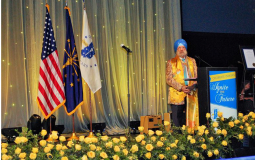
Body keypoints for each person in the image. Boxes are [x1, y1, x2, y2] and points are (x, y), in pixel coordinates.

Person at [166, 39, 198, 127]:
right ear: (176, 50)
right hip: (177, 94)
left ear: (186, 49)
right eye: (179, 48)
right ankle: (178, 138)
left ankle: (190, 137)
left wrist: (191, 87)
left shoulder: (192, 61)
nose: (181, 49)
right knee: (177, 118)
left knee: (191, 117)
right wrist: (181, 87)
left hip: (191, 92)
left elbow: (196, 77)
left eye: (183, 47)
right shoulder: (171, 62)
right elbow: (169, 79)